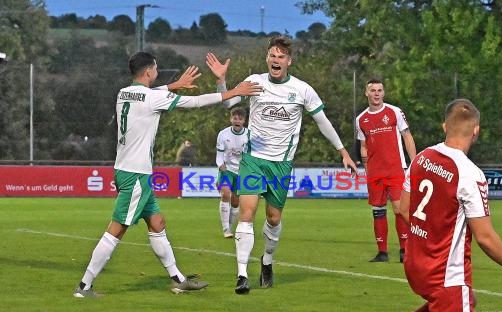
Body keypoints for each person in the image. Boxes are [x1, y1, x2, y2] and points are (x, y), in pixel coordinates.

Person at [73, 51, 261, 298]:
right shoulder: (152, 98)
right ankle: (84, 286)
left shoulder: (123, 93)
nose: (157, 72)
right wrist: (232, 93)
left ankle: (179, 280)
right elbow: (194, 102)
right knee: (116, 230)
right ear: (149, 71)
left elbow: (152, 93)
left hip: (124, 169)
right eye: (156, 69)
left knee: (157, 223)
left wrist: (175, 85)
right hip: (136, 174)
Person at [368, 99, 502, 312]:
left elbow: (403, 208)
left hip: (415, 263)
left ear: (445, 126)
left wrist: (429, 233)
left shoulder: (421, 157)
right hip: (445, 272)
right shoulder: (469, 174)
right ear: (476, 131)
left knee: (469, 300)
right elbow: (485, 236)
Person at [205, 35, 358, 294]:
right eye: (272, 56)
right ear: (267, 58)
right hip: (253, 161)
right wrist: (222, 80)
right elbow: (230, 103)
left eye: (281, 57)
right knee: (246, 214)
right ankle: (242, 275)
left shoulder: (302, 89)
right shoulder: (254, 81)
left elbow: (322, 121)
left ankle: (267, 260)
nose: (276, 61)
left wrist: (342, 150)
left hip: (281, 165)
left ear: (289, 61)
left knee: (273, 219)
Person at [356, 78, 416, 263]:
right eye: (372, 90)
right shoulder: (361, 119)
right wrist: (367, 167)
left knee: (399, 209)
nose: (376, 93)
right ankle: (382, 252)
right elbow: (363, 146)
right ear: (366, 93)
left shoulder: (394, 112)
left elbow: (407, 136)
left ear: (383, 93)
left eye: (379, 90)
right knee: (378, 210)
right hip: (375, 172)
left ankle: (404, 251)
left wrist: (414, 162)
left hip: (396, 169)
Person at [216, 107, 248, 238]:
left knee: (235, 202)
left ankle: (230, 226)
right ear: (231, 119)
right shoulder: (223, 134)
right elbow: (219, 154)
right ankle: (226, 229)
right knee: (225, 194)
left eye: (240, 119)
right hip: (227, 169)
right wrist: (220, 164)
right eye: (235, 118)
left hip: (241, 171)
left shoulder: (249, 135)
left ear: (244, 121)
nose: (237, 121)